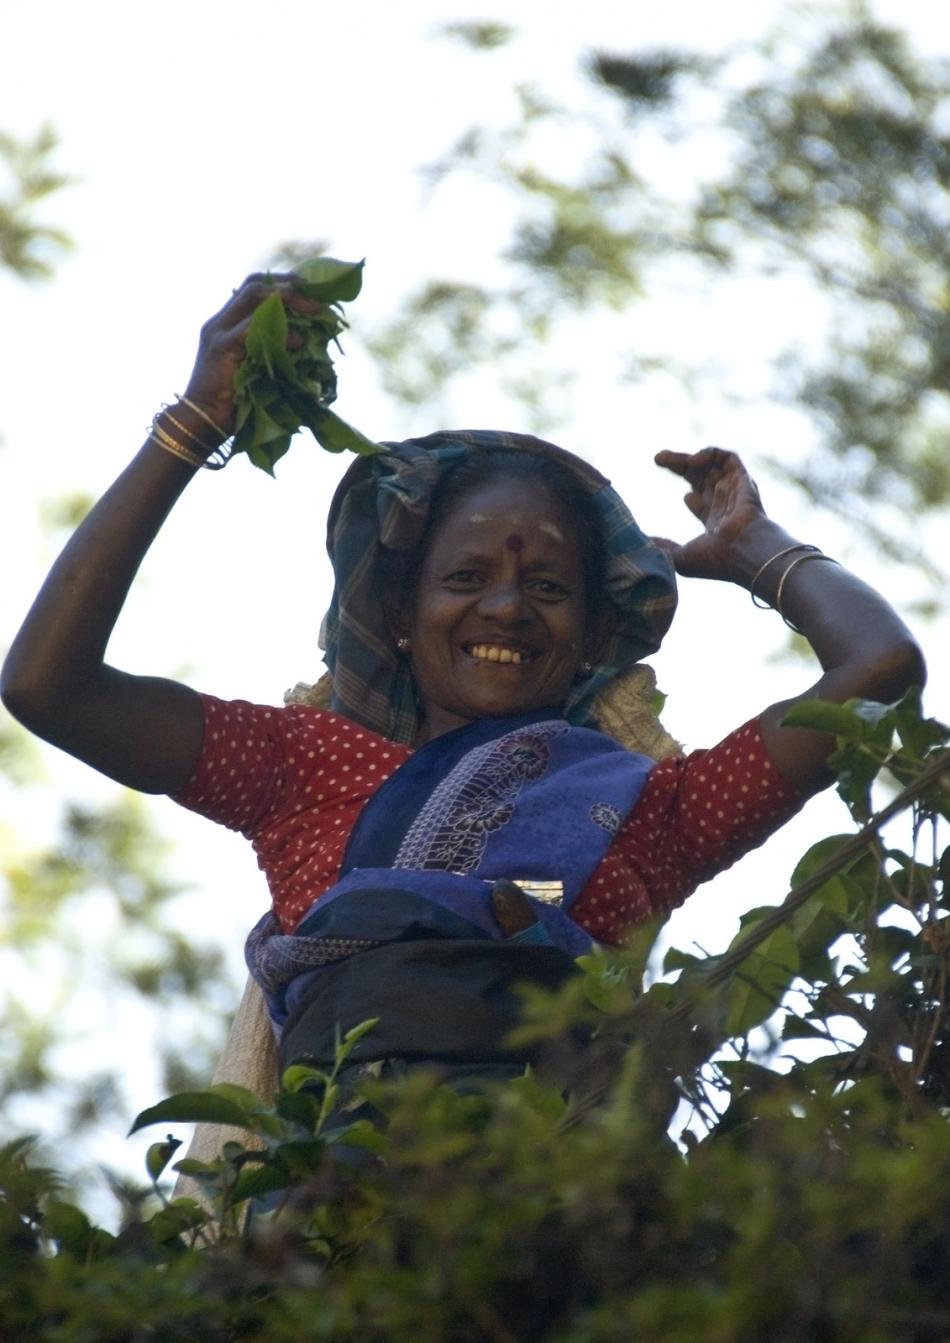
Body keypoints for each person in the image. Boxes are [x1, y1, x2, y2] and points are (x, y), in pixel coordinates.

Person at [1, 274, 926, 1106]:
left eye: (550, 588)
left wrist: (754, 549)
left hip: (543, 1231)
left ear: (597, 633)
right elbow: (49, 686)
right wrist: (192, 425)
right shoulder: (302, 763)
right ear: (402, 610)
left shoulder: (652, 810)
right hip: (338, 1230)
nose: (507, 606)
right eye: (465, 577)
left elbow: (879, 671)